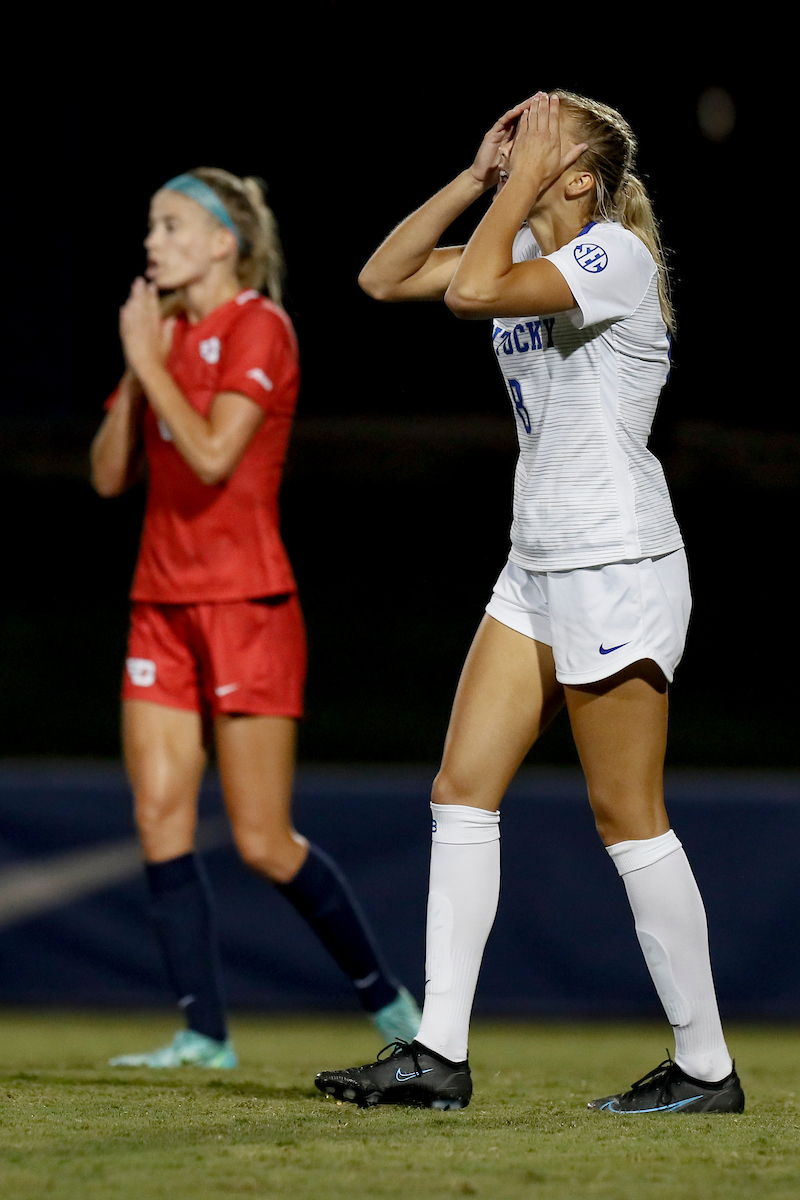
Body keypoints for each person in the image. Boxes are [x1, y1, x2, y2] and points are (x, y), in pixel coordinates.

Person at [315, 92, 744, 1114]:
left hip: (615, 560)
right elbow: (379, 279)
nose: (520, 144)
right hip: (538, 562)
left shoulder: (611, 258)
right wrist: (477, 177)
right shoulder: (512, 246)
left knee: (625, 816)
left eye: (541, 137)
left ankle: (705, 1065)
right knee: (459, 787)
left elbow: (467, 296)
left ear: (582, 176)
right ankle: (437, 1053)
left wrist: (504, 194)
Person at [90, 167, 420, 1068]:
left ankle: (389, 1006)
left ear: (220, 242)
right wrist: (137, 360)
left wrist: (152, 364)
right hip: (160, 605)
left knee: (263, 841)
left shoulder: (259, 328)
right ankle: (204, 1034)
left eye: (167, 225)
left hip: (247, 606)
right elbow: (109, 475)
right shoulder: (162, 334)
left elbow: (210, 456)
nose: (151, 242)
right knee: (159, 814)